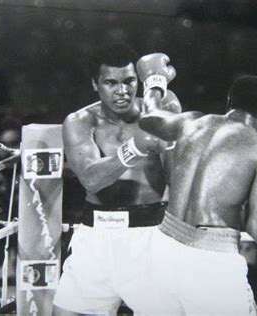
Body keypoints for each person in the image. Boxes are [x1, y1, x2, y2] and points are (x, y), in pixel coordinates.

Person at [52, 45, 181, 316]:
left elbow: (176, 175)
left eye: (129, 81)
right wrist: (136, 147)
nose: (122, 91)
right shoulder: (80, 122)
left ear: (139, 81)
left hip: (151, 235)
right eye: (111, 83)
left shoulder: (161, 107)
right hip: (96, 236)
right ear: (95, 84)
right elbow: (90, 178)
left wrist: (158, 103)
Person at [137, 72, 257, 315]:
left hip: (163, 245)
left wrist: (155, 80)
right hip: (212, 257)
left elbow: (148, 118)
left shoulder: (191, 122)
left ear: (228, 101)